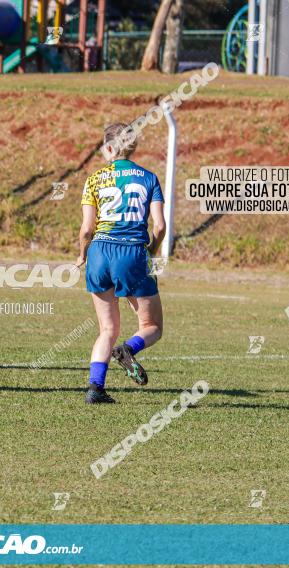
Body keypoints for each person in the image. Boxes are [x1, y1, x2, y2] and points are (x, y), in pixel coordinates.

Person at [75, 123, 166, 405]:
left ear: (110, 148)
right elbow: (160, 226)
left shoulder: (94, 179)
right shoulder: (149, 178)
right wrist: (152, 249)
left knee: (107, 329)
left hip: (100, 252)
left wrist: (82, 254)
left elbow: (87, 230)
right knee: (151, 325)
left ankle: (95, 388)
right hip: (132, 253)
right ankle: (128, 349)